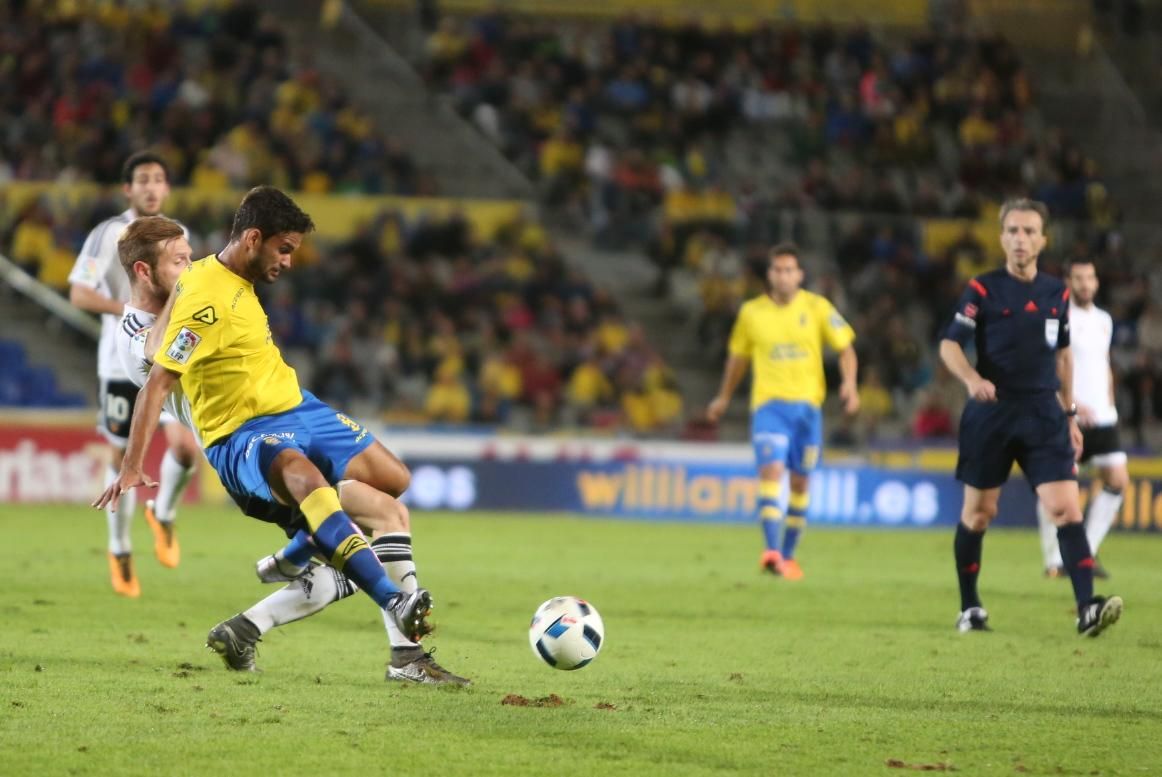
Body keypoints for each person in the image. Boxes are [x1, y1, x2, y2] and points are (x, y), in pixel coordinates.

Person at [95, 189, 469, 684]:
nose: (289, 262)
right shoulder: (196, 302)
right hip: (244, 433)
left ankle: (274, 587)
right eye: (284, 249)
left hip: (298, 407)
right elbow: (159, 375)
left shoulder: (221, 280)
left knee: (392, 492)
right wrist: (131, 464)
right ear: (254, 239)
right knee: (317, 496)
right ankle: (401, 629)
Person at [939, 198, 1122, 636]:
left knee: (1065, 507)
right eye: (1013, 231)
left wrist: (1070, 414)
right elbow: (949, 345)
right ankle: (970, 606)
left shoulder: (1056, 292)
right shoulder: (981, 289)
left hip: (1043, 414)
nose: (1020, 239)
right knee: (980, 513)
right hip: (992, 414)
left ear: (1043, 239)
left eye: (1029, 232)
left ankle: (1086, 608)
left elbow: (1063, 357)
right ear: (1002, 237)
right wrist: (970, 379)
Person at [68, 151, 199, 597]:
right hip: (121, 360)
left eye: (158, 179)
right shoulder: (108, 234)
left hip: (166, 357)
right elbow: (80, 294)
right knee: (120, 456)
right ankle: (120, 548)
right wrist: (129, 312)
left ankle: (162, 514)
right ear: (128, 189)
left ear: (166, 188)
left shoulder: (178, 235)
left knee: (184, 449)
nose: (150, 187)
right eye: (142, 179)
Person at [706, 242, 859, 580]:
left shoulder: (818, 307)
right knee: (772, 471)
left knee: (801, 484)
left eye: (790, 270)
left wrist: (849, 384)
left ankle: (788, 557)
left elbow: (846, 350)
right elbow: (738, 360)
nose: (784, 276)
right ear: (770, 274)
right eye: (778, 270)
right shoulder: (751, 313)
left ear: (800, 274)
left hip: (807, 410)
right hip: (769, 406)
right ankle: (771, 550)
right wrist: (723, 397)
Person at [1037, 260, 1127, 579]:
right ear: (1068, 282)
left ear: (1097, 282)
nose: (1085, 284)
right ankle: (1054, 560)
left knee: (1118, 480)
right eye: (1078, 279)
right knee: (1058, 486)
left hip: (1104, 417)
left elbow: (1103, 363)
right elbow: (1052, 365)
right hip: (1069, 416)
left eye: (1090, 277)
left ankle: (1084, 553)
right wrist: (1070, 404)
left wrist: (1109, 401)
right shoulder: (1058, 317)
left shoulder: (1104, 320)